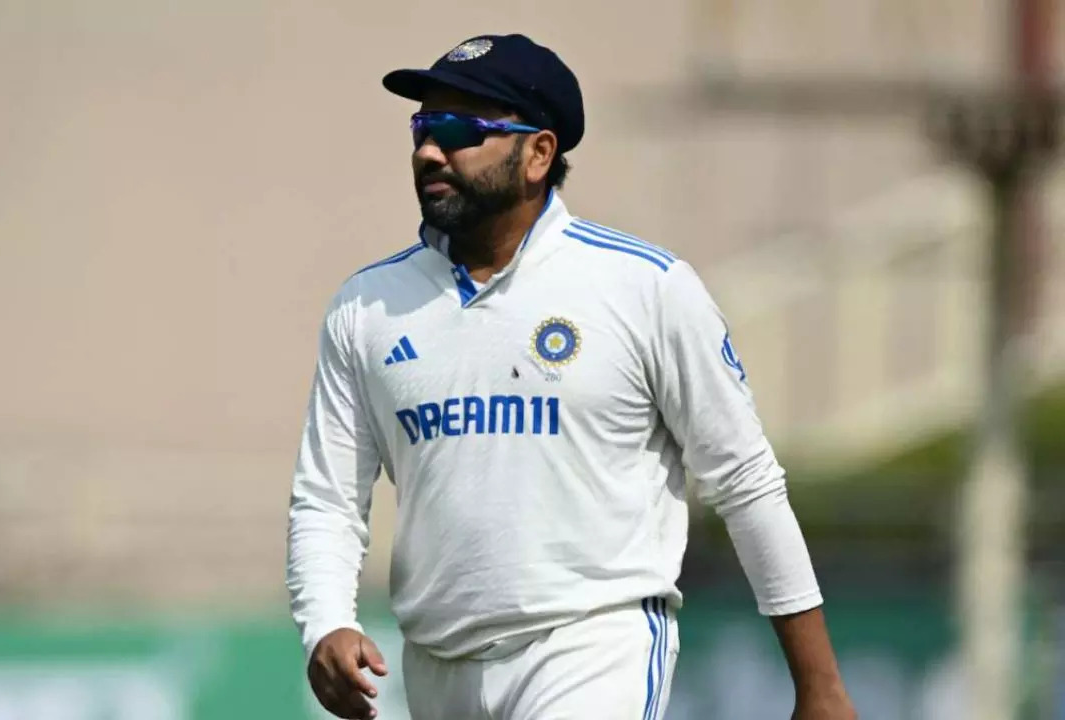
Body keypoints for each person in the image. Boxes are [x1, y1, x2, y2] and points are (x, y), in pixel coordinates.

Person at [286, 33, 857, 720]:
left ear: (539, 153)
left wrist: (819, 686)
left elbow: (745, 482)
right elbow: (327, 497)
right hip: (436, 665)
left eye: (460, 130)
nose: (430, 151)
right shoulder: (367, 307)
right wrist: (325, 621)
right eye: (423, 127)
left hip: (592, 647)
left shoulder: (645, 287)